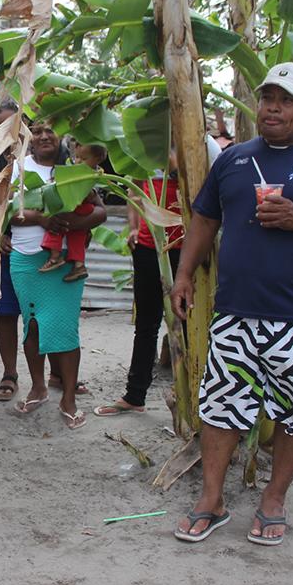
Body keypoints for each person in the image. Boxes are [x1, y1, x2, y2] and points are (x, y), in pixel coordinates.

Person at [170, 63, 293, 545]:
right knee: (221, 409)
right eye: (268, 98)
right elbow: (204, 218)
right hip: (235, 313)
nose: (273, 107)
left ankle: (273, 500)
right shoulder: (235, 160)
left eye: (287, 99)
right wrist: (183, 275)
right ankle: (212, 501)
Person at [0, 102, 88, 401]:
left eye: (19, 125)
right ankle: (10, 374)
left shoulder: (58, 161)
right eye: (4, 127)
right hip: (10, 248)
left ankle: (57, 374)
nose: (13, 132)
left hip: (45, 248)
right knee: (8, 311)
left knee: (49, 315)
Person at [8, 121, 107, 429]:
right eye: (36, 131)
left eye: (50, 130)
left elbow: (100, 210)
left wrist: (74, 225)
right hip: (24, 260)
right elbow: (2, 210)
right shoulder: (17, 169)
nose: (44, 136)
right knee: (33, 325)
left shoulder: (75, 167)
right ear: (29, 138)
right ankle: (38, 388)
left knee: (64, 328)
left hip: (66, 260)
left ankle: (68, 398)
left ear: (60, 136)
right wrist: (41, 218)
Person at [95, 150, 183, 417]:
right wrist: (134, 227)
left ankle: (193, 395)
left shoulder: (195, 145)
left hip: (184, 249)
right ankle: (135, 395)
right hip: (148, 247)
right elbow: (135, 195)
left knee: (189, 324)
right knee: (147, 324)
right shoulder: (143, 150)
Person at [38, 142, 107, 282]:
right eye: (77, 157)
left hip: (80, 206)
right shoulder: (95, 171)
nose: (79, 161)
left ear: (98, 158)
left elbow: (85, 193)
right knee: (77, 235)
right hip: (86, 210)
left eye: (84, 158)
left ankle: (55, 256)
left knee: (56, 222)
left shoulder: (91, 174)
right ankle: (79, 265)